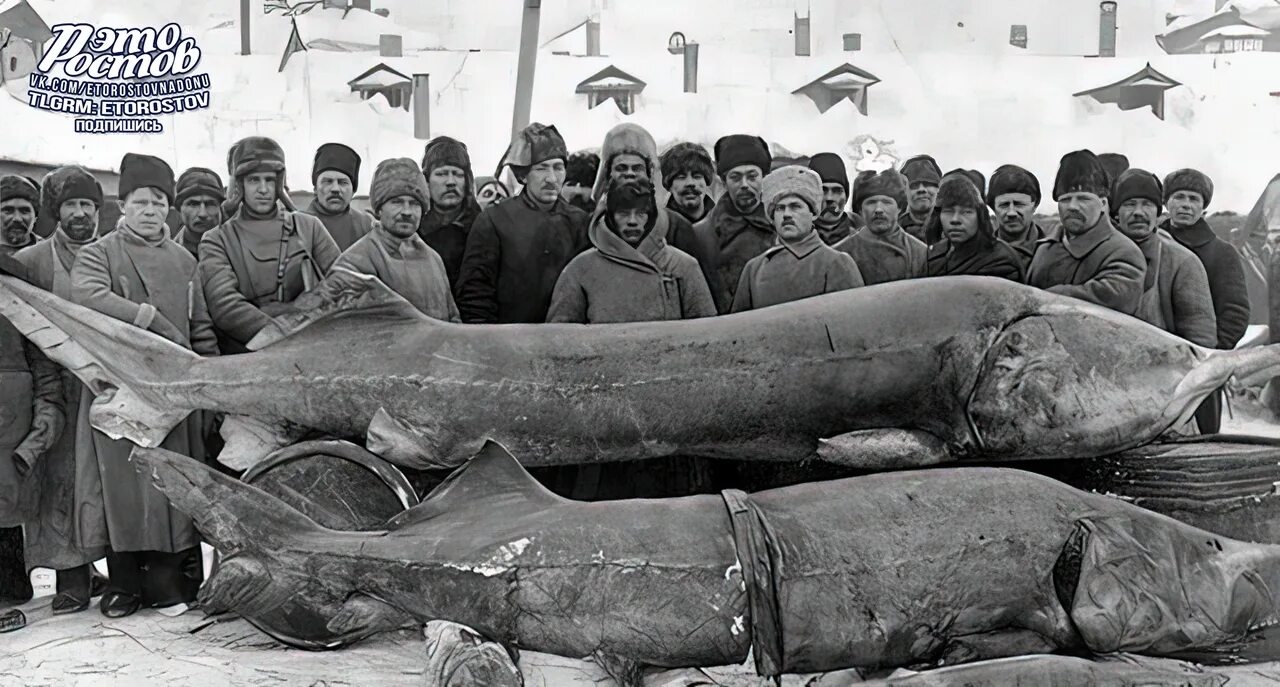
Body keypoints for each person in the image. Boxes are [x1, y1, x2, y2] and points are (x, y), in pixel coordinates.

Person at [70, 153, 218, 618]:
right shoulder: (99, 253)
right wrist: (148, 318)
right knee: (123, 488)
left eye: (158, 202)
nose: (150, 211)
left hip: (174, 394)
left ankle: (170, 582)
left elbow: (200, 326)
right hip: (117, 391)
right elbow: (86, 295)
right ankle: (125, 585)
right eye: (141, 201)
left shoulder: (185, 260)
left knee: (169, 484)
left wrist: (208, 376)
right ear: (122, 205)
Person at [9, 166, 109, 618]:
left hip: (104, 383)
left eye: (88, 204)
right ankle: (70, 575)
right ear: (56, 212)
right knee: (57, 481)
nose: (81, 213)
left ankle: (100, 565)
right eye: (71, 205)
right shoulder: (30, 262)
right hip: (53, 384)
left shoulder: (110, 254)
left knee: (100, 479)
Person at [200, 136, 342, 353]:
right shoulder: (217, 239)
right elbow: (225, 306)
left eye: (269, 179)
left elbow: (342, 283)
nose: (263, 189)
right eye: (254, 180)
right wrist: (281, 334)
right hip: (248, 353)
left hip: (311, 345)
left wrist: (294, 310)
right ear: (239, 185)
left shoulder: (308, 227)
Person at [455, 123, 589, 324]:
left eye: (558, 167)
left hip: (565, 341)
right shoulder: (494, 221)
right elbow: (475, 293)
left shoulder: (580, 223)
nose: (551, 178)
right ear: (523, 174)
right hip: (508, 342)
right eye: (541, 168)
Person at [588, 123, 721, 308]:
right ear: (608, 173)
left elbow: (699, 297)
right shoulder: (590, 228)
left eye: (637, 168)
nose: (630, 175)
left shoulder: (677, 227)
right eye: (621, 168)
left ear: (649, 173)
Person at [548, 178, 714, 324]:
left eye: (641, 213)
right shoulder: (580, 269)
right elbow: (562, 339)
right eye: (623, 213)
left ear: (652, 216)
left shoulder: (682, 266)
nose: (633, 221)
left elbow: (707, 335)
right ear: (610, 217)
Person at [1161, 168, 1251, 434]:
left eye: (1194, 199)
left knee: (1200, 441)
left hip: (1200, 368)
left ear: (1203, 207)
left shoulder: (1221, 253)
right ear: (1166, 202)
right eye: (1179, 197)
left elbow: (1235, 314)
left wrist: (1208, 357)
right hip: (1155, 364)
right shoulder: (1149, 244)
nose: (1186, 205)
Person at [0, 261, 63, 631]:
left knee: (9, 515)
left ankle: (10, 594)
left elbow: (47, 379)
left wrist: (37, 437)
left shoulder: (21, 310)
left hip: (14, 443)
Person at [335, 158, 459, 322]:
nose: (407, 211)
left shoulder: (433, 258)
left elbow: (453, 319)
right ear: (379, 208)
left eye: (414, 203)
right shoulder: (355, 262)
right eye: (397, 202)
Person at [1026, 149, 1145, 315]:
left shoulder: (1124, 253)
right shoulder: (1044, 249)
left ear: (1103, 203)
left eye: (1083, 198)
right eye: (1065, 199)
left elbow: (1109, 305)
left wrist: (1036, 298)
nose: (1072, 206)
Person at [731, 166, 863, 312]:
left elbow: (852, 323)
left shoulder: (836, 263)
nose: (787, 214)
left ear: (812, 214)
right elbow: (739, 328)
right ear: (772, 218)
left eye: (795, 207)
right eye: (780, 208)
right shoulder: (754, 269)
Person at [1111, 168, 1216, 347]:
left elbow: (1200, 336)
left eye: (1147, 204)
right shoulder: (1098, 255)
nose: (1138, 212)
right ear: (1115, 213)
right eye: (1129, 204)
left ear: (1158, 212)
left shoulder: (1182, 262)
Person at [694, 134, 773, 312]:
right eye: (736, 178)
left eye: (752, 176)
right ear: (723, 181)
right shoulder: (702, 235)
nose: (744, 185)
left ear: (764, 178)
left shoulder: (783, 228)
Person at [832, 168, 927, 285]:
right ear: (861, 210)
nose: (878, 210)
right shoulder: (839, 254)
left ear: (899, 208)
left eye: (886, 202)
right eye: (871, 202)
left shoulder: (921, 253)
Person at [923, 173, 1024, 281]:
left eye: (966, 212)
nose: (955, 220)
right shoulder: (933, 254)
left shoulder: (1000, 259)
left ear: (980, 217)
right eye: (948, 211)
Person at [417, 136, 483, 291]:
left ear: (467, 181)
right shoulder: (413, 229)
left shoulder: (482, 228)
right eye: (441, 174)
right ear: (426, 181)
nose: (451, 181)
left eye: (458, 174)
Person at [302, 142, 373, 251]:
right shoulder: (298, 224)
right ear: (315, 189)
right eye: (327, 181)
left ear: (353, 190)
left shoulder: (366, 225)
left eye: (343, 182)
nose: (335, 189)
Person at [987, 164, 1045, 271]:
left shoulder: (1053, 253)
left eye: (1019, 204)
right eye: (1004, 205)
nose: (1011, 213)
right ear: (993, 208)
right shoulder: (981, 255)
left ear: (1034, 205)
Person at [807, 152, 865, 245]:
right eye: (823, 190)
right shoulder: (794, 234)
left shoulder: (865, 234)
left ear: (846, 195)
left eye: (837, 191)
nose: (830, 198)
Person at [171, 167, 225, 257]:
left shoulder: (237, 248)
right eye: (193, 204)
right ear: (179, 208)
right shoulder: (168, 254)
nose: (202, 214)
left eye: (210, 204)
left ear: (221, 207)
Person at [660, 142, 716, 224]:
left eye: (697, 176)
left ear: (706, 181)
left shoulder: (725, 225)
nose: (690, 183)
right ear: (669, 185)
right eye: (681, 177)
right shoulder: (659, 229)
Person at [898, 154, 942, 242]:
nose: (921, 189)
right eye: (914, 185)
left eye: (928, 183)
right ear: (904, 192)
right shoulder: (894, 229)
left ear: (938, 189)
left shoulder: (949, 225)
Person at [0, 176, 40, 257]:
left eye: (25, 211)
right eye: (8, 211)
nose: (17, 218)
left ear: (35, 217)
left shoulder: (51, 252)